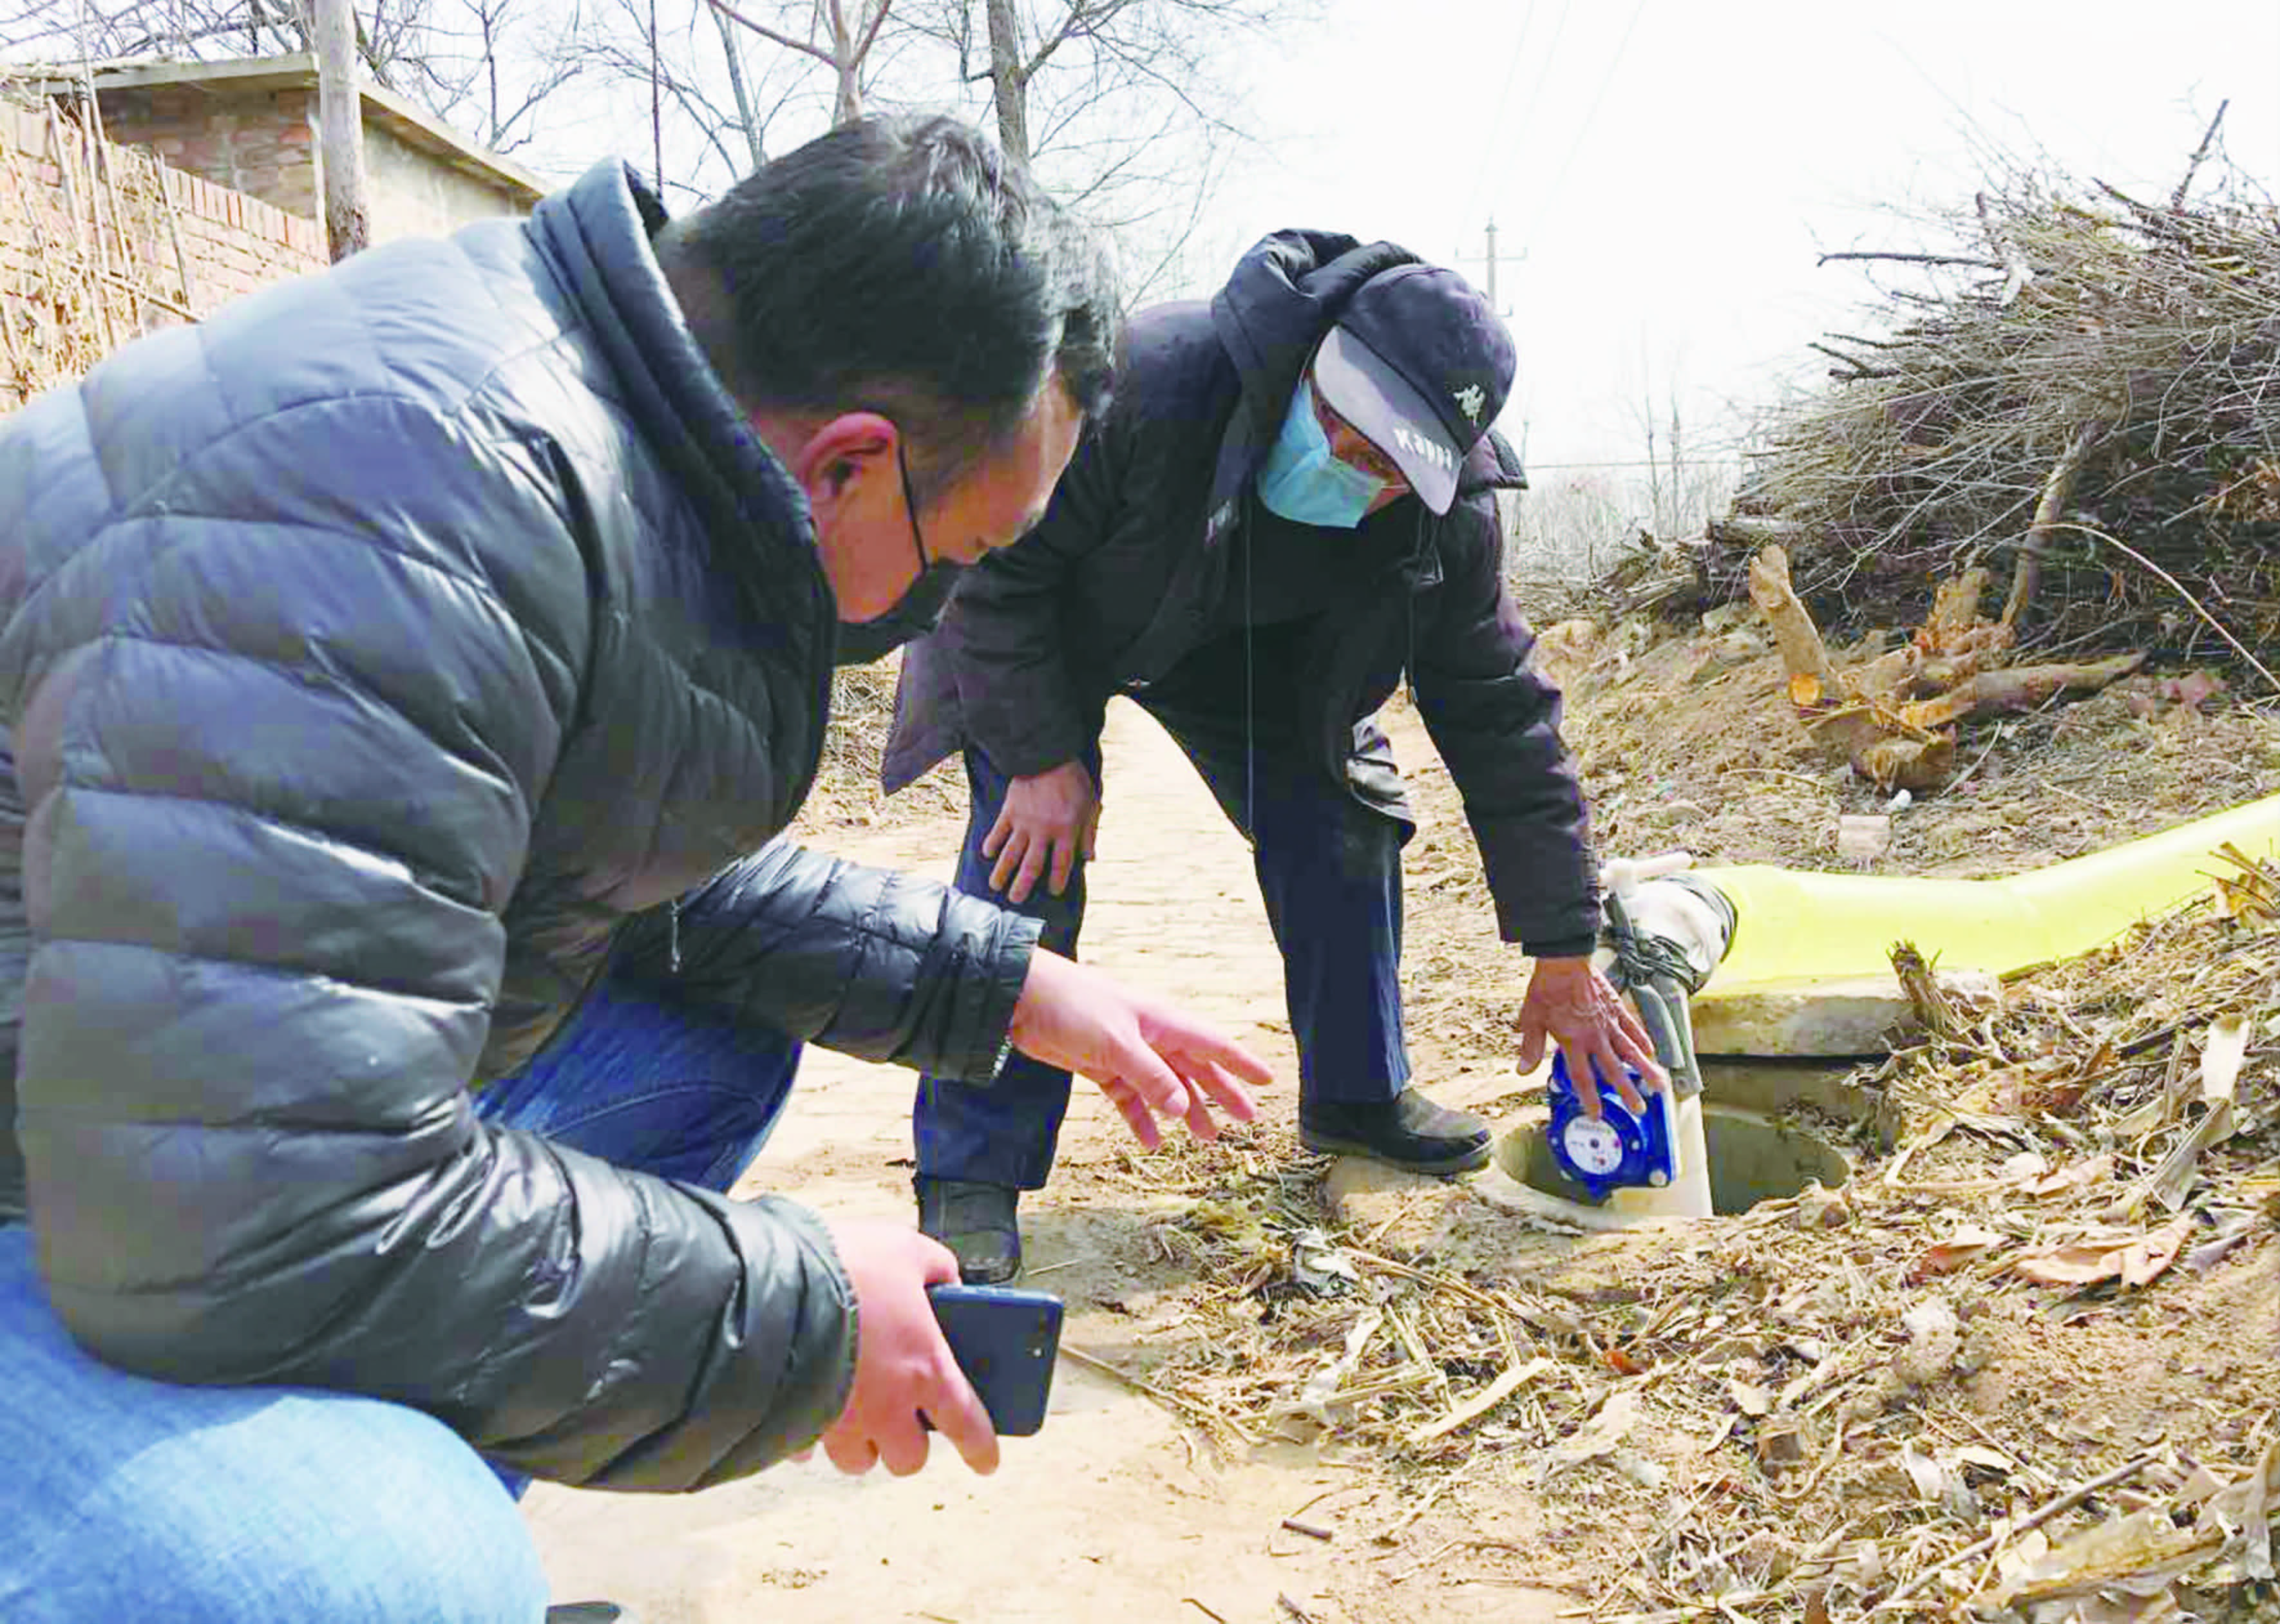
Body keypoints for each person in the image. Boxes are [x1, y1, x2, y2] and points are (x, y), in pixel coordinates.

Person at [0, 115, 1269, 1624]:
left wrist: (1001, 983)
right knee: (377, 1571)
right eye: (969, 552)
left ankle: (388, 1456)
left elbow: (618, 861)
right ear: (850, 467)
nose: (955, 599)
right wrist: (804, 1322)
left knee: (704, 1036)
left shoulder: (587, 428)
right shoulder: (402, 515)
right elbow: (253, 1223)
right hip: (128, 1189)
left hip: (117, 1117)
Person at [886, 231, 1664, 1284]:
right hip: (1052, 623)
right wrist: (1038, 753)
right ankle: (973, 1170)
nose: (1355, 465)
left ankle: (1357, 1094)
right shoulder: (1148, 381)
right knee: (1030, 854)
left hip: (1259, 659)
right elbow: (997, 566)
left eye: (1393, 466)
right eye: (1346, 428)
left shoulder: (1448, 526)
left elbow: (1502, 717)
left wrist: (1565, 948)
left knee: (1346, 821)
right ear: (1309, 360)